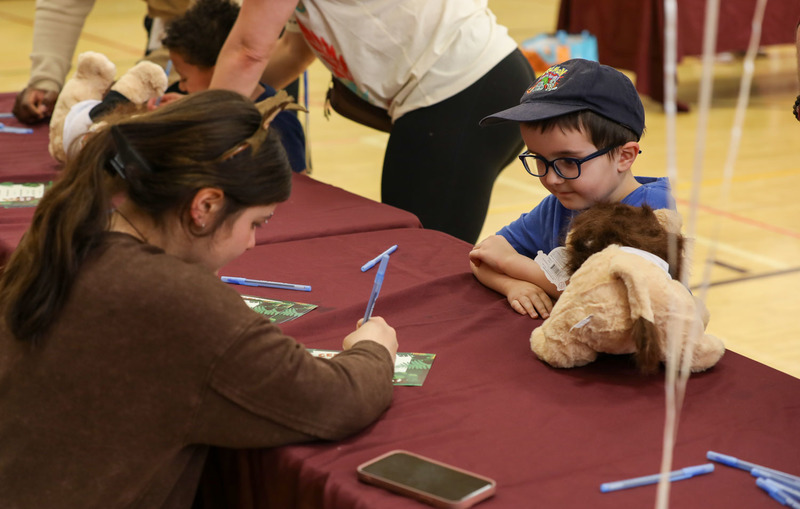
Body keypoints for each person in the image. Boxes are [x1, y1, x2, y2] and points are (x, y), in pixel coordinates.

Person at [0, 90, 398, 507]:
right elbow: (336, 401)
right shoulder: (179, 299)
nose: (252, 243)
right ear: (205, 205)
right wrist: (374, 351)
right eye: (255, 223)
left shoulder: (67, 233)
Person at [208, 0, 536, 244]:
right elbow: (294, 52)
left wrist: (202, 128)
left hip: (462, 92)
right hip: (474, 86)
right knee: (413, 254)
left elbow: (248, 52)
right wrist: (208, 97)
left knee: (417, 257)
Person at [469, 59, 676, 320]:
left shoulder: (653, 209)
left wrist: (512, 264)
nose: (552, 179)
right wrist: (513, 285)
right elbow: (483, 257)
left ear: (624, 156)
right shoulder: (559, 204)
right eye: (539, 159)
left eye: (569, 162)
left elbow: (612, 303)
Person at [157, 0, 307, 173]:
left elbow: (298, 191)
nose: (181, 88)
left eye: (184, 78)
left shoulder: (278, 123)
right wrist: (190, 110)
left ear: (218, 72)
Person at [12, 0, 190, 124]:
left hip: (207, 37)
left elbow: (208, 30)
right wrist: (45, 79)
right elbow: (63, 5)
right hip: (173, 27)